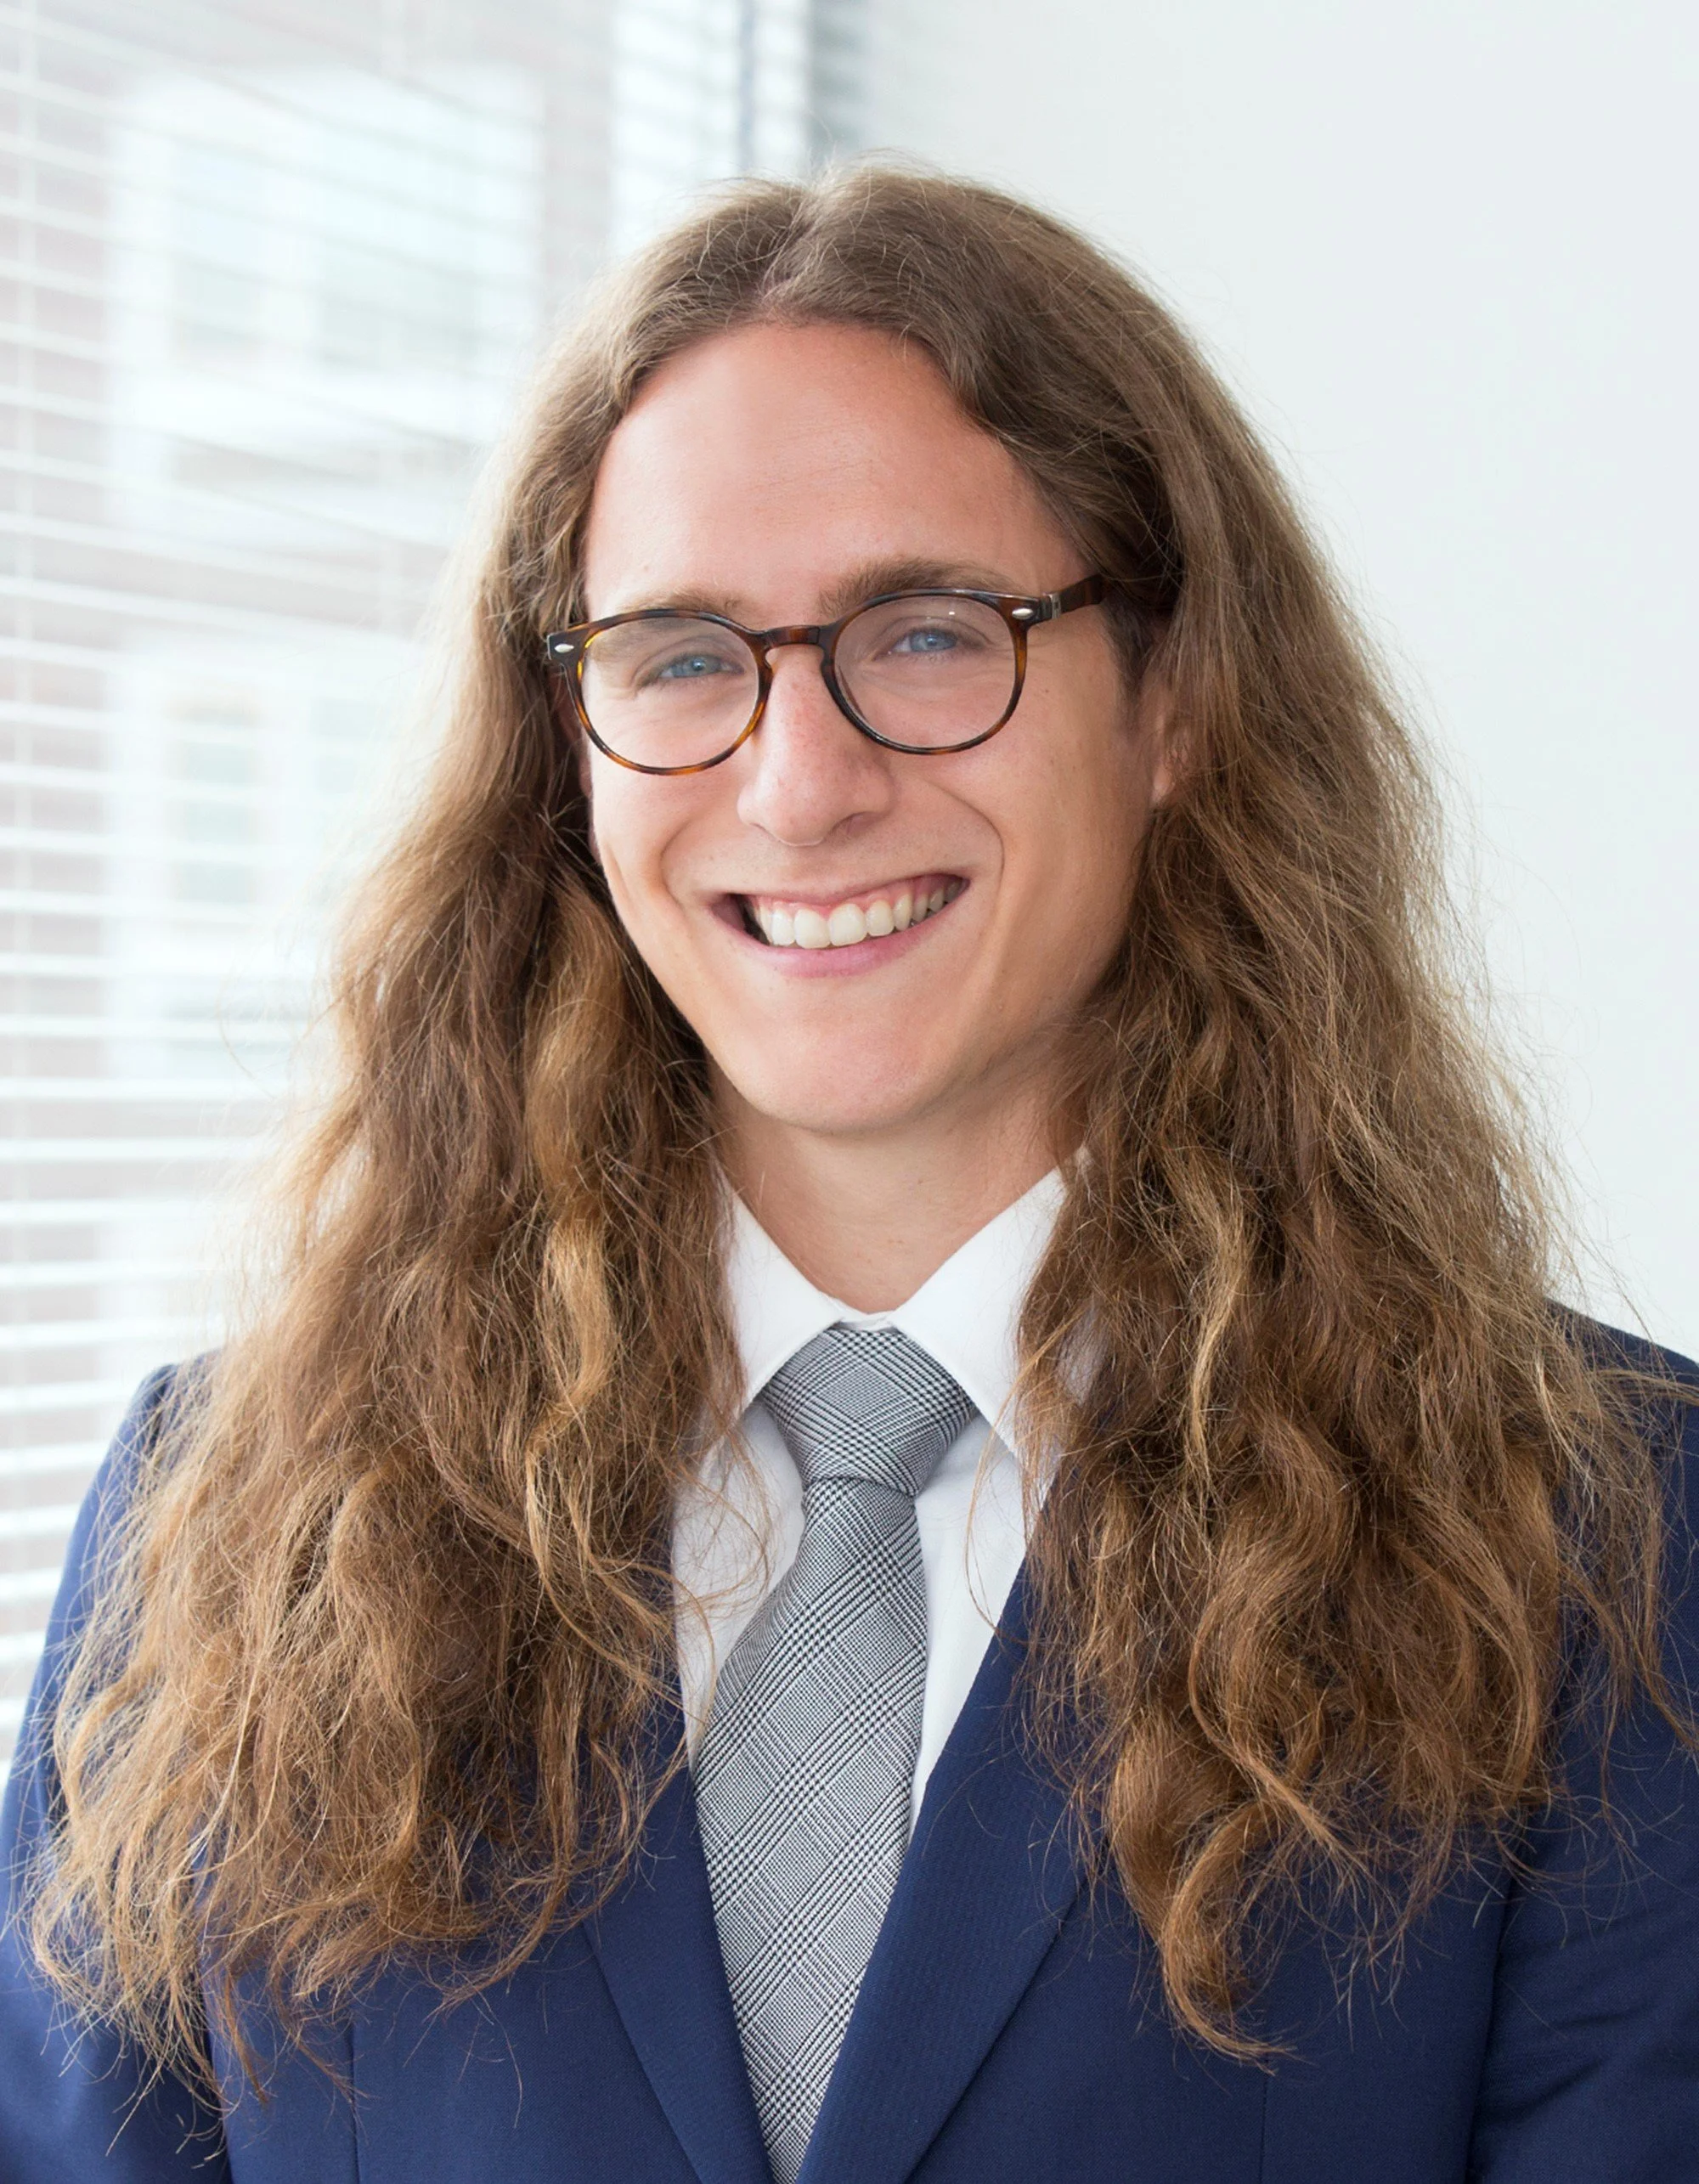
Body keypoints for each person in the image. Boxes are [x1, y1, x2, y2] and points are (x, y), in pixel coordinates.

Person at [3, 166, 1696, 2184]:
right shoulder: (226, 1532)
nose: (800, 784)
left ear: (1172, 699)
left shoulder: (1604, 1542)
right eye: (678, 655)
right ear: (565, 743)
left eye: (928, 633)